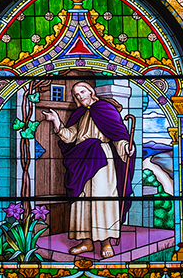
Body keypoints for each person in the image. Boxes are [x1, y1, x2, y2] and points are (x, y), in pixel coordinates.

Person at [40, 81, 134, 258]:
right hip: (81, 158)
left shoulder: (105, 108)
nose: (79, 96)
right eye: (76, 94)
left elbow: (118, 136)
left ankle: (106, 242)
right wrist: (56, 122)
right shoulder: (80, 114)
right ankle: (86, 242)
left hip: (101, 158)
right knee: (82, 200)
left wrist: (125, 147)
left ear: (90, 92)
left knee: (102, 198)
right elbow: (70, 137)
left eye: (82, 91)